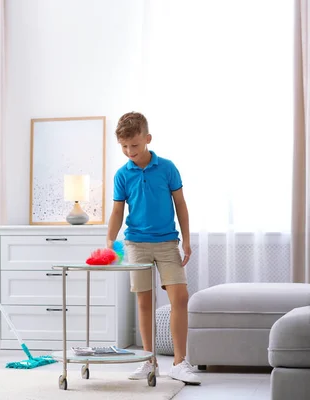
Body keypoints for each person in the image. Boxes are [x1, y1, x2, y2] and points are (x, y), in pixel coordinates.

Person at [106, 112, 201, 385]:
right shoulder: (122, 174)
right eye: (124, 146)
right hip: (135, 243)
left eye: (134, 145)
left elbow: (181, 204)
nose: (129, 151)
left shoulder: (167, 167)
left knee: (180, 298)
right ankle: (148, 361)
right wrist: (109, 241)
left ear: (147, 139)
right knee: (144, 302)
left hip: (167, 242)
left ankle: (180, 363)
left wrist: (187, 239)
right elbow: (117, 211)